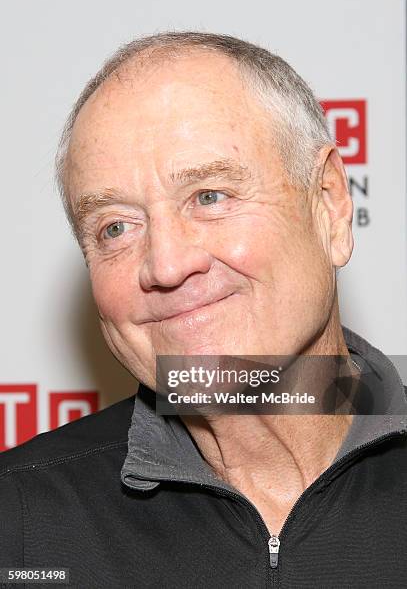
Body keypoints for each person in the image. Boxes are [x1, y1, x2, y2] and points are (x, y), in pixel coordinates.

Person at [1, 31, 406, 588]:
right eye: (116, 227)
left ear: (330, 208)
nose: (166, 265)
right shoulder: (18, 518)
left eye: (209, 196)